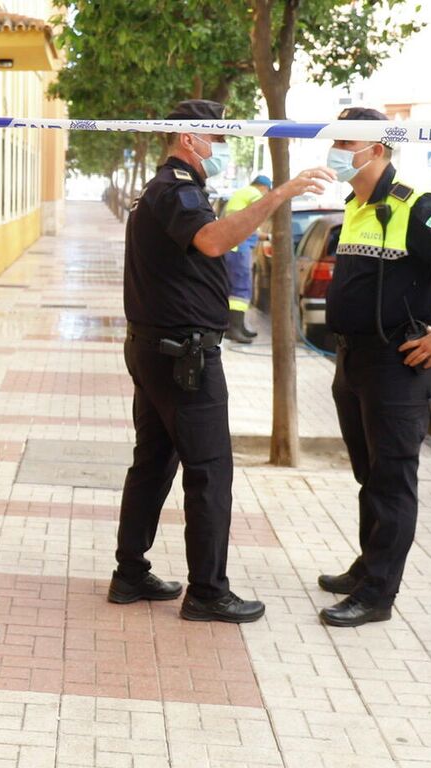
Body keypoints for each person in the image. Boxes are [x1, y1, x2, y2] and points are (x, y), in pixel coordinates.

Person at [110, 98, 331, 623]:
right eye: (220, 139)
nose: (224, 150)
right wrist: (281, 194)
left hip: (155, 352)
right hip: (183, 360)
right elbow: (210, 241)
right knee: (210, 472)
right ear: (191, 139)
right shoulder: (178, 191)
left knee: (154, 463)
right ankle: (208, 590)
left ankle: (129, 573)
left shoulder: (159, 192)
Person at [315, 107, 431, 627]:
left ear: (378, 149)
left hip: (396, 363)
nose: (338, 152)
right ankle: (369, 565)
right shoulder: (356, 204)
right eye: (337, 141)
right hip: (354, 359)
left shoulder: (416, 204)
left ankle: (377, 595)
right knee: (369, 473)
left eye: (347, 143)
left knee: (391, 479)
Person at [221, 174, 273, 343]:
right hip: (238, 248)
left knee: (237, 288)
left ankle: (238, 325)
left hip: (233, 245)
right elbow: (265, 208)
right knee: (240, 289)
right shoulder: (255, 195)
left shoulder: (241, 194)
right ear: (263, 187)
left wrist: (266, 237)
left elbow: (246, 226)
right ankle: (234, 329)